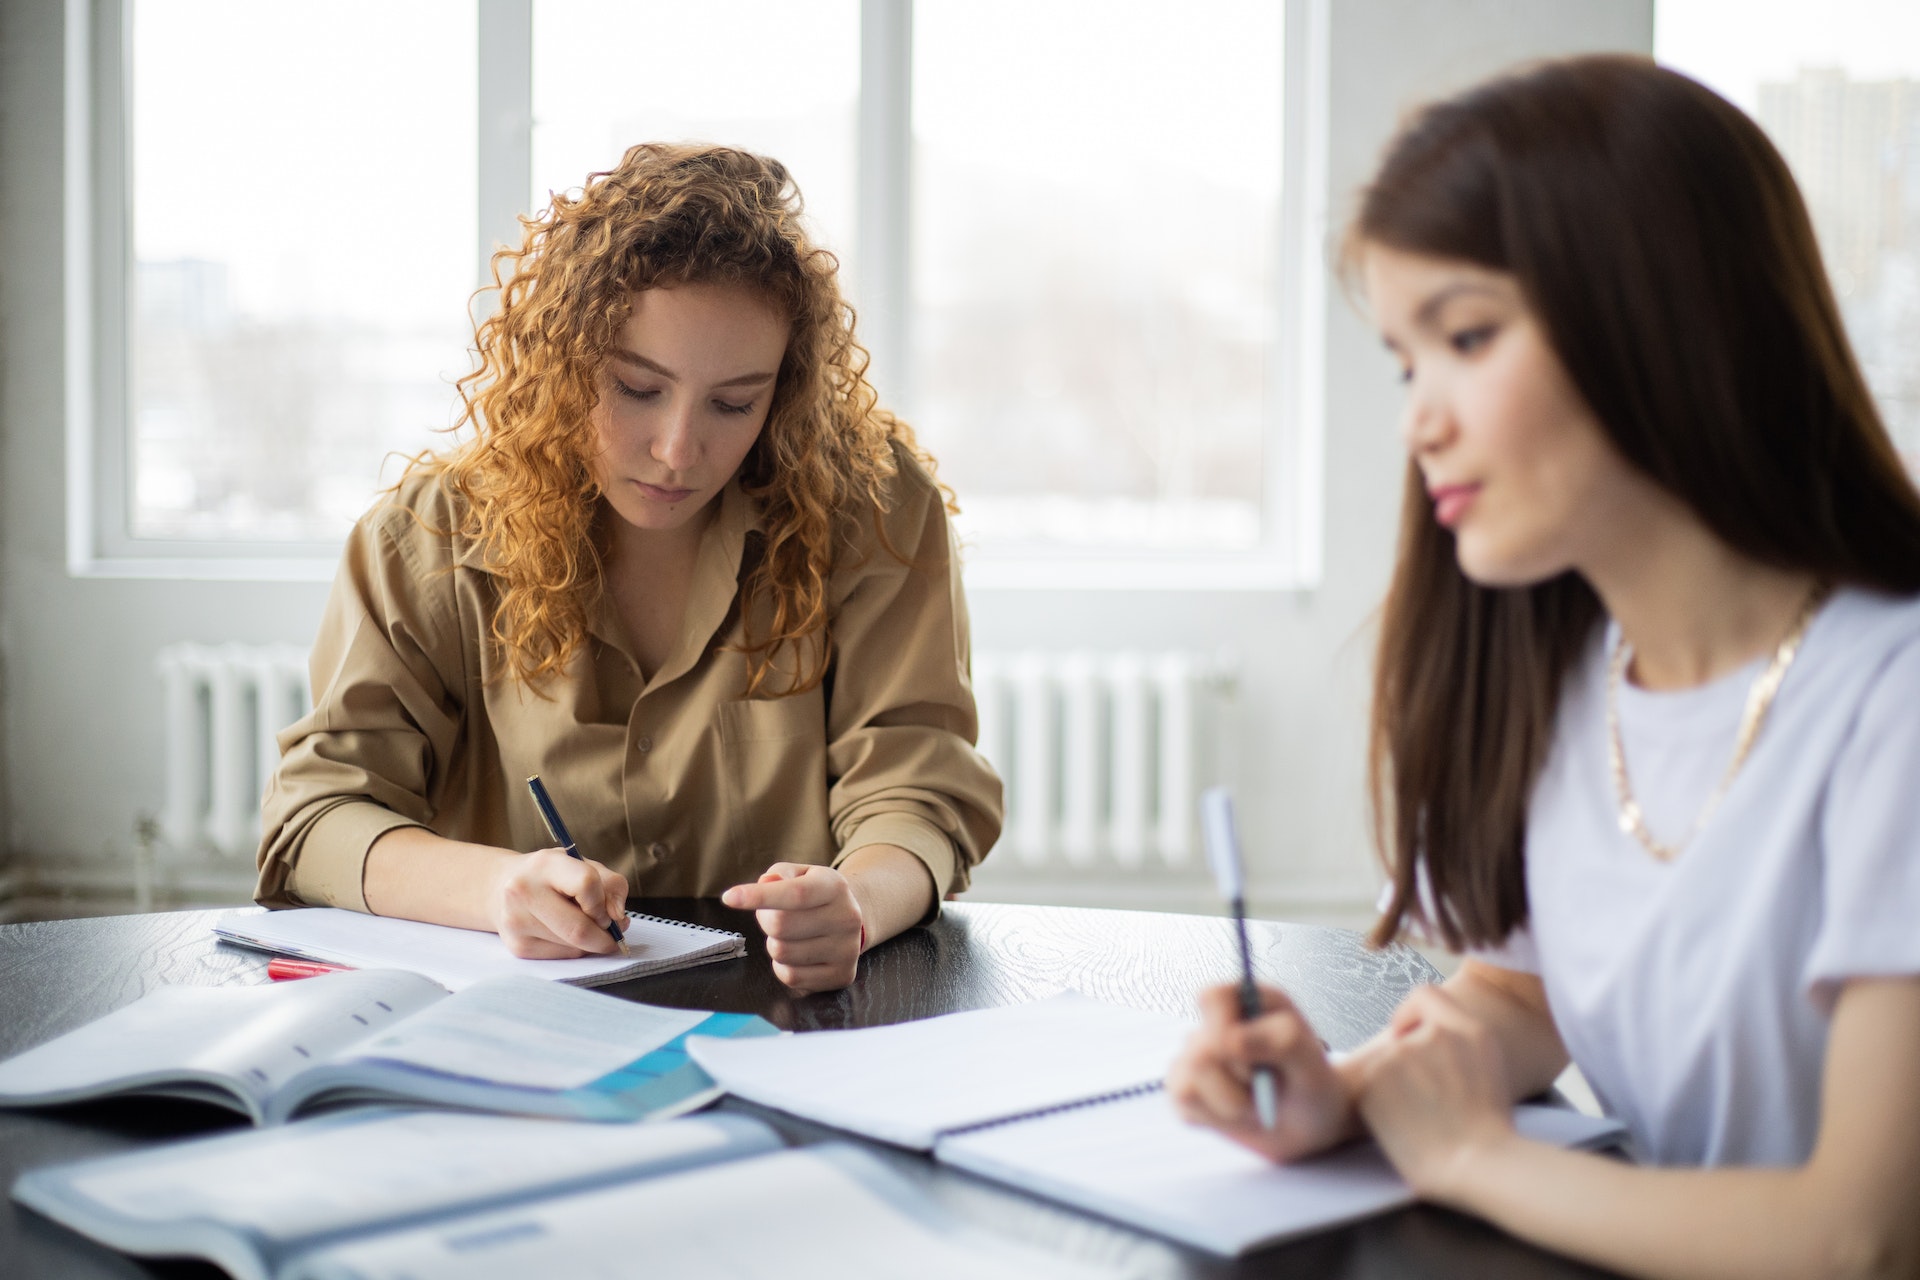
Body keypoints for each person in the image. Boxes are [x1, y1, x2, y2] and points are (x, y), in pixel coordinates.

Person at [1169, 56, 1920, 1279]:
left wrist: (1474, 1157)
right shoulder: (1569, 678)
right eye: (1409, 362)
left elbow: (1863, 1236)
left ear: (1665, 316)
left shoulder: (1892, 698)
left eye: (1467, 335)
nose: (1420, 418)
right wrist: (1344, 1094)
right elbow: (1524, 998)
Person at [256, 144, 1002, 995]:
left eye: (734, 403)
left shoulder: (873, 506)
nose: (679, 449)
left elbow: (918, 783)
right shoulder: (427, 537)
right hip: (518, 1035)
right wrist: (499, 889)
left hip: (789, 1027)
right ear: (564, 362)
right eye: (637, 388)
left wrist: (858, 904)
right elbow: (315, 818)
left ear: (785, 393)